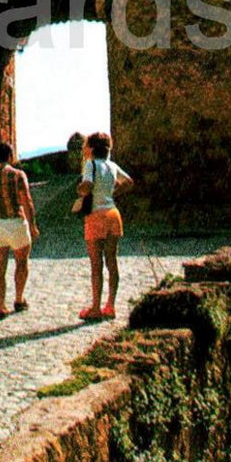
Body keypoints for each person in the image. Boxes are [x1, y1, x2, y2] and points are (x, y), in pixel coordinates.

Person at [0, 140, 39, 318]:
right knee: (21, 262)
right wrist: (32, 225)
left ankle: (1, 307)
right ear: (10, 156)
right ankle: (19, 299)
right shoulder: (18, 175)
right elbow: (27, 201)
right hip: (16, 222)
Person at [77, 131, 133, 320]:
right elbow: (129, 182)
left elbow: (87, 186)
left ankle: (95, 307)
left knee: (96, 264)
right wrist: (112, 193)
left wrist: (80, 190)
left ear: (91, 148)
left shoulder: (90, 164)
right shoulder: (112, 165)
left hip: (96, 215)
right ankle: (110, 305)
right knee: (112, 261)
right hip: (112, 213)